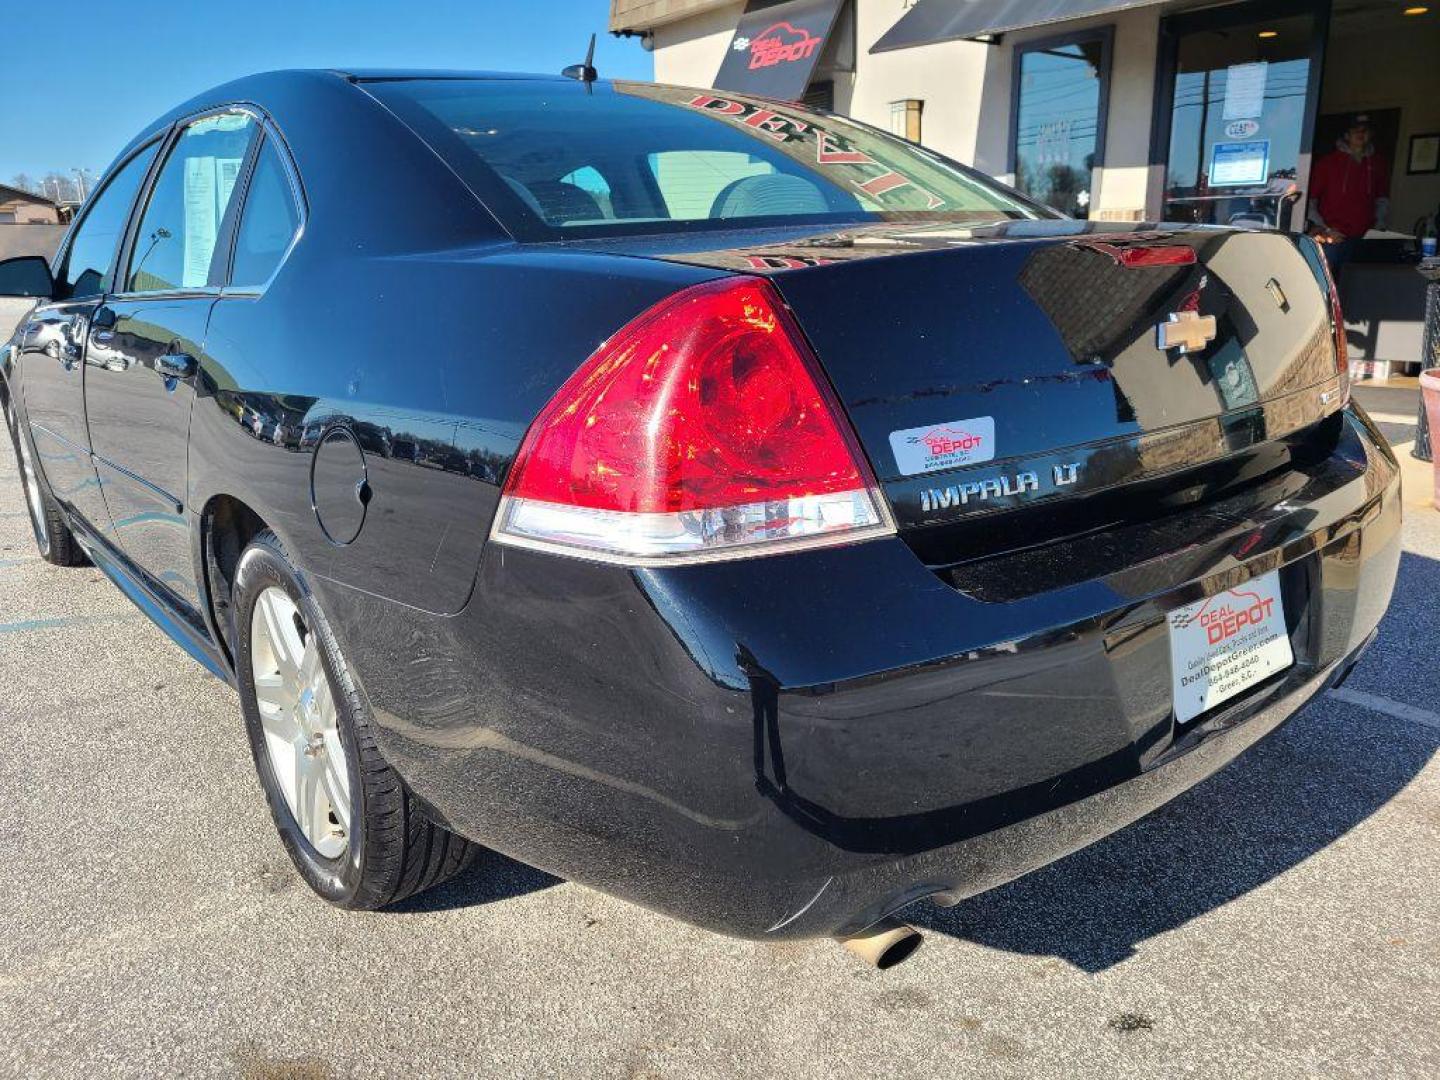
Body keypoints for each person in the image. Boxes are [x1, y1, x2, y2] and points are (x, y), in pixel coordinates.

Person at [1307, 113, 1390, 274]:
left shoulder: (1378, 164)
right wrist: (1326, 230)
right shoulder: (1327, 163)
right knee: (1327, 289)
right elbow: (1310, 202)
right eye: (1355, 130)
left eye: (1365, 130)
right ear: (1346, 135)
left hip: (1364, 240)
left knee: (1358, 289)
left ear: (1370, 135)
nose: (1360, 134)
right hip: (1332, 239)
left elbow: (1382, 199)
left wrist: (1378, 227)